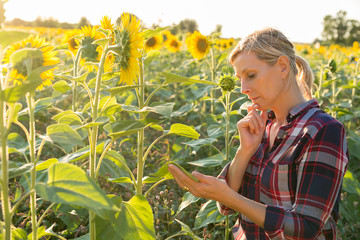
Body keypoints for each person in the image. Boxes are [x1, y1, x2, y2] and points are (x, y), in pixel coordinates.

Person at [168, 27, 349, 240]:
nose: (243, 88)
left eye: (251, 75)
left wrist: (229, 197)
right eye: (240, 79)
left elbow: (306, 227)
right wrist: (245, 150)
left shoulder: (323, 129)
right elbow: (225, 206)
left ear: (282, 66)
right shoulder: (262, 126)